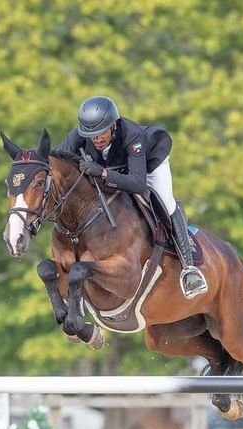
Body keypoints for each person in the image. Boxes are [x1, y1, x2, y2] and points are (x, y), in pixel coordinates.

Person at [55, 95, 208, 299]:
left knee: (166, 202)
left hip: (149, 163)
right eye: (92, 135)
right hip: (114, 167)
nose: (96, 139)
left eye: (101, 133)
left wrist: (102, 173)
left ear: (113, 126)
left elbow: (137, 183)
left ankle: (189, 268)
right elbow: (55, 161)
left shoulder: (131, 135)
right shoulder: (82, 135)